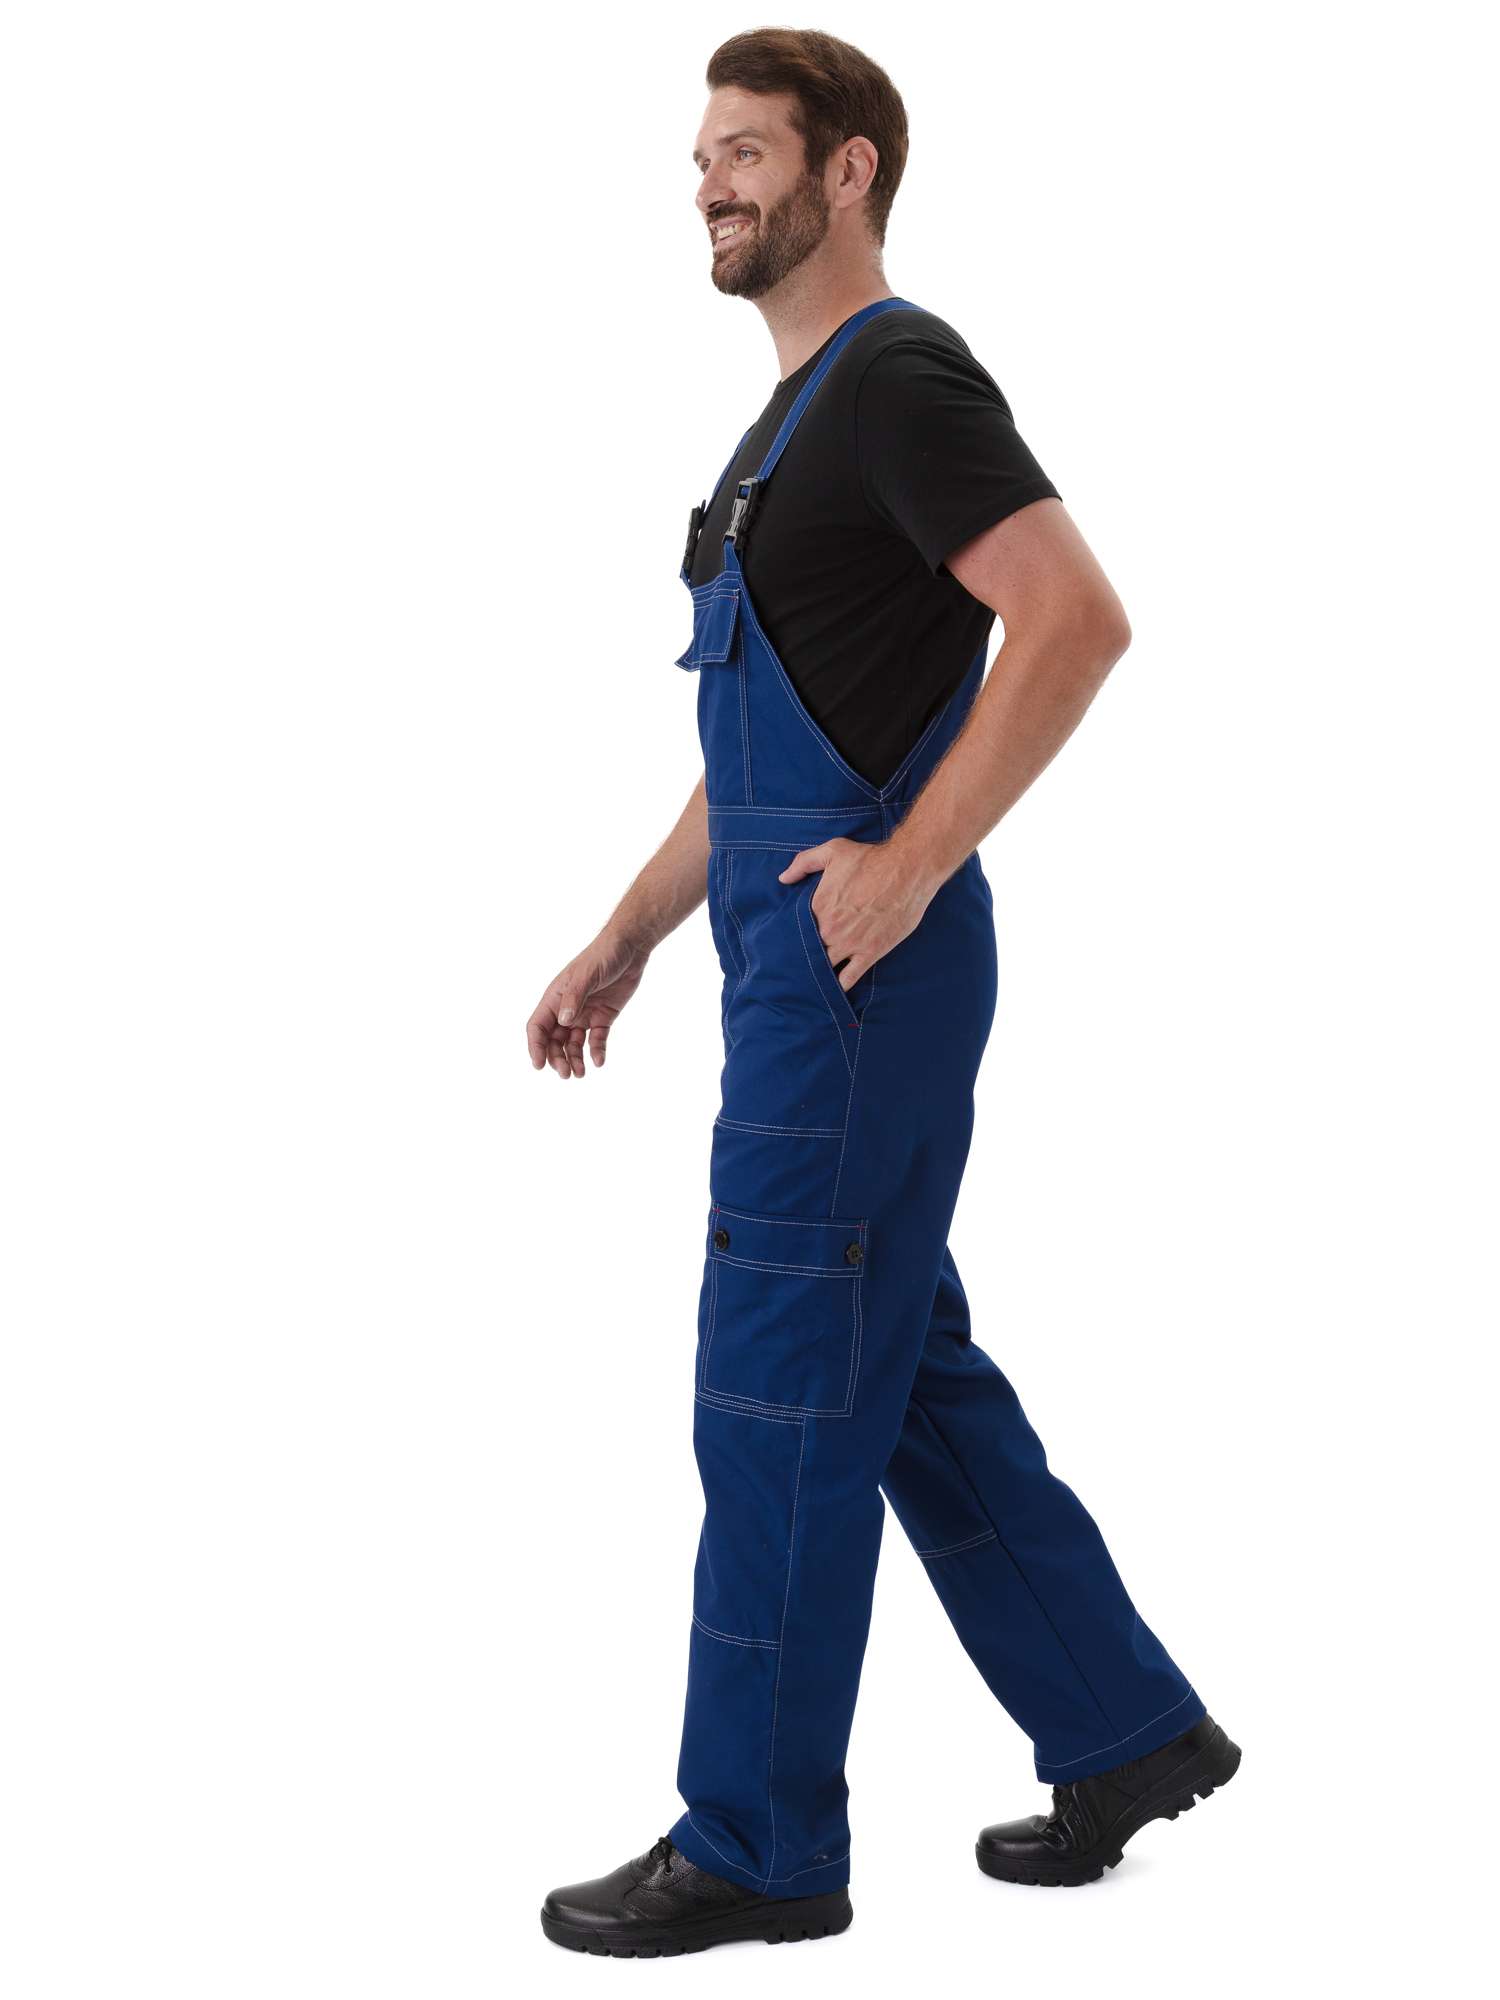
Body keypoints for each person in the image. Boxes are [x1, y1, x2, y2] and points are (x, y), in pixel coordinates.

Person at [527, 28, 1240, 1958]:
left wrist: (912, 863)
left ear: (849, 172)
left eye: (747, 152)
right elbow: (761, 755)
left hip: (855, 975)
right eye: (701, 157)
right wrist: (626, 933)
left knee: (779, 1382)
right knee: (892, 1357)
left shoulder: (900, 378)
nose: (709, 184)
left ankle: (758, 1843)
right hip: (804, 963)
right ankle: (1124, 1726)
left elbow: (1077, 616)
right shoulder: (790, 426)